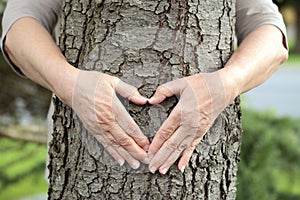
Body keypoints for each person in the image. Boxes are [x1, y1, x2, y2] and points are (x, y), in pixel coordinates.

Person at [1, 0, 288, 175]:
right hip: (80, 162)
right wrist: (68, 83)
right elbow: (18, 27)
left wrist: (228, 82)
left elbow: (270, 34)